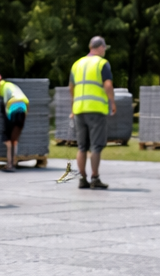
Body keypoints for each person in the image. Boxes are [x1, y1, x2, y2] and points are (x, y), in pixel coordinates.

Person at [69, 37, 115, 190]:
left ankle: (82, 179)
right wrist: (112, 102)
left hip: (79, 110)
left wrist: (73, 105)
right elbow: (107, 84)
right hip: (95, 110)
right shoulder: (102, 64)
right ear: (100, 47)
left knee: (82, 147)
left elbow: (71, 86)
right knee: (96, 146)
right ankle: (95, 178)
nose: (104, 51)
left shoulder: (77, 64)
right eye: (104, 48)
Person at [0, 72, 29, 171]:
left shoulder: (4, 88)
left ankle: (10, 164)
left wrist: (7, 118)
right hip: (23, 108)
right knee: (14, 139)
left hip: (12, 109)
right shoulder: (12, 86)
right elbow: (26, 101)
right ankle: (13, 162)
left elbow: (6, 104)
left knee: (7, 138)